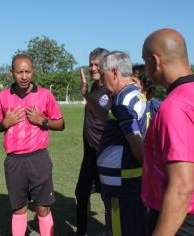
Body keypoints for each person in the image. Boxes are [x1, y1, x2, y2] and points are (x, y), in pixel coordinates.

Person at [141, 28, 194, 236]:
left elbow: (181, 187)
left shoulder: (175, 106)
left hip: (179, 221)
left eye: (144, 61)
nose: (144, 70)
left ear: (155, 61)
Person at [0, 54, 65, 236]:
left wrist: (43, 120)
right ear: (12, 73)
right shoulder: (3, 96)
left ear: (33, 72)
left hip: (38, 158)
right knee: (18, 209)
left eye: (27, 72)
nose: (24, 76)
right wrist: (4, 123)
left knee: (43, 208)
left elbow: (61, 124)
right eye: (19, 72)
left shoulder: (44, 95)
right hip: (14, 160)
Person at [97, 51, 153, 236]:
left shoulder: (123, 101)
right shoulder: (136, 95)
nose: (102, 82)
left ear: (114, 72)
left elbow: (137, 147)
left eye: (103, 76)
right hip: (127, 184)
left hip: (123, 186)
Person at [75, 48, 111, 235]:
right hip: (90, 154)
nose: (92, 68)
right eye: (91, 64)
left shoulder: (111, 89)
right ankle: (80, 232)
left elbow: (107, 117)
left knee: (108, 199)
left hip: (105, 155)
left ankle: (111, 231)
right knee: (81, 193)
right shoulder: (94, 88)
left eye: (97, 64)